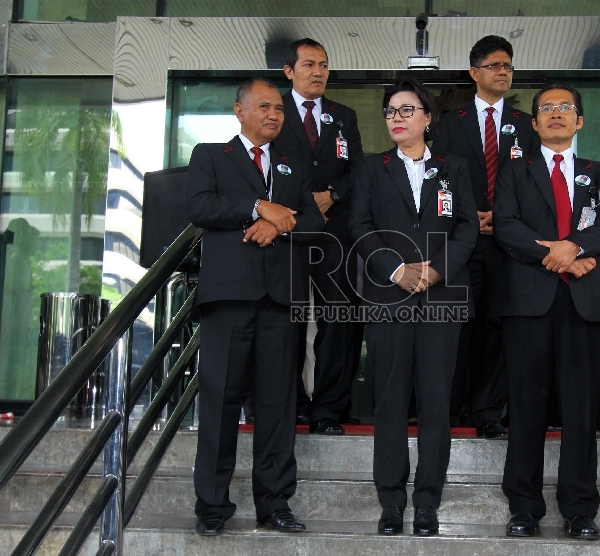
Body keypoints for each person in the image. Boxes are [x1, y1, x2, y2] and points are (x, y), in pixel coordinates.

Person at [185, 77, 324, 536]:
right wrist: (258, 208)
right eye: (263, 106)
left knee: (277, 405)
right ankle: (211, 505)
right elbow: (201, 206)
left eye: (279, 109)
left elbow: (314, 219)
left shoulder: (292, 164)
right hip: (228, 298)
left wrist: (278, 225)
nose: (273, 115)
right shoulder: (210, 155)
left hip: (280, 300)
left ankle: (275, 503)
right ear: (239, 110)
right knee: (220, 401)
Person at [493, 83, 600, 540]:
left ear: (579, 120)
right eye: (546, 109)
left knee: (581, 411)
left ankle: (579, 509)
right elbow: (506, 226)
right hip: (529, 302)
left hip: (583, 305)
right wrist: (559, 254)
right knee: (525, 407)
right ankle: (524, 508)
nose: (556, 114)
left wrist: (575, 247)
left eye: (565, 108)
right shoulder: (515, 172)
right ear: (533, 123)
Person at [350, 77, 478, 537]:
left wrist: (437, 270)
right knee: (389, 400)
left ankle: (427, 502)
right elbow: (359, 226)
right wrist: (396, 270)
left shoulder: (454, 167)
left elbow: (467, 226)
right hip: (388, 298)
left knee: (435, 402)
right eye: (391, 112)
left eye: (407, 110)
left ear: (427, 117)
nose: (398, 119)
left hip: (441, 296)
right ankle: (390, 502)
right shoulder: (370, 168)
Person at [432, 35, 539, 438]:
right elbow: (439, 178)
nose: (503, 72)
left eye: (508, 66)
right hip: (461, 242)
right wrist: (468, 217)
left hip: (508, 244)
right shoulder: (450, 123)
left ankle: (488, 410)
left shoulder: (523, 124)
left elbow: (532, 181)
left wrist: (503, 218)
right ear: (474, 72)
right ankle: (451, 407)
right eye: (495, 65)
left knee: (496, 328)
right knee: (457, 325)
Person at [272, 38, 365, 435]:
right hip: (287, 230)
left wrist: (332, 196)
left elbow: (358, 171)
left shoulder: (344, 116)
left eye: (324, 65)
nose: (318, 72)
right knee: (286, 321)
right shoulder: (272, 111)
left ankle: (329, 409)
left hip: (336, 232)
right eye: (309, 64)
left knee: (338, 322)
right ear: (289, 71)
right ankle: (287, 404)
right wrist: (300, 203)